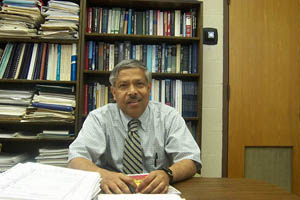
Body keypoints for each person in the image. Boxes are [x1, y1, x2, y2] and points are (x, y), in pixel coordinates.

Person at [68, 59, 201, 194]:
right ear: (114, 92)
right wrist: (102, 175)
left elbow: (190, 159)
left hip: (156, 193)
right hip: (113, 193)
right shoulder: (98, 118)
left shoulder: (168, 116)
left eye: (139, 84)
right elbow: (76, 159)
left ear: (149, 88)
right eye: (124, 86)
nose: (132, 91)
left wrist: (167, 174)